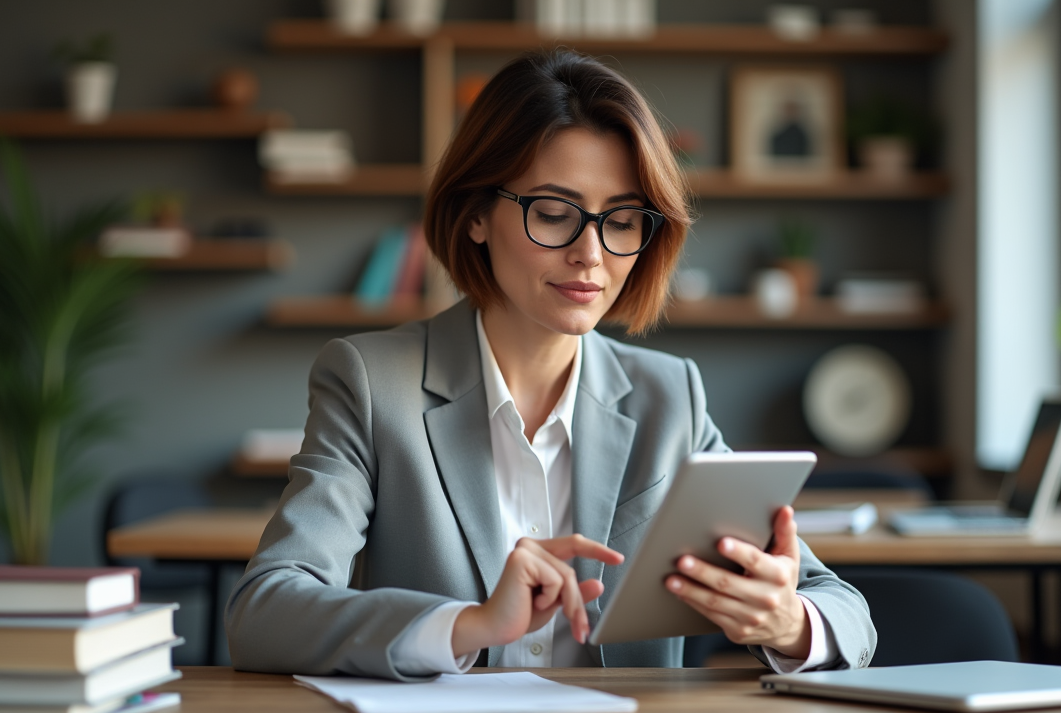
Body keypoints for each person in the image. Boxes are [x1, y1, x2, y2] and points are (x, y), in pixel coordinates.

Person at [226, 49, 876, 680]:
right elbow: (265, 611)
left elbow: (848, 616)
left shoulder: (669, 396)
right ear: (477, 213)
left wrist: (786, 620)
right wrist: (469, 625)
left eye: (621, 219)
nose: (591, 254)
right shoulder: (370, 382)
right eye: (556, 213)